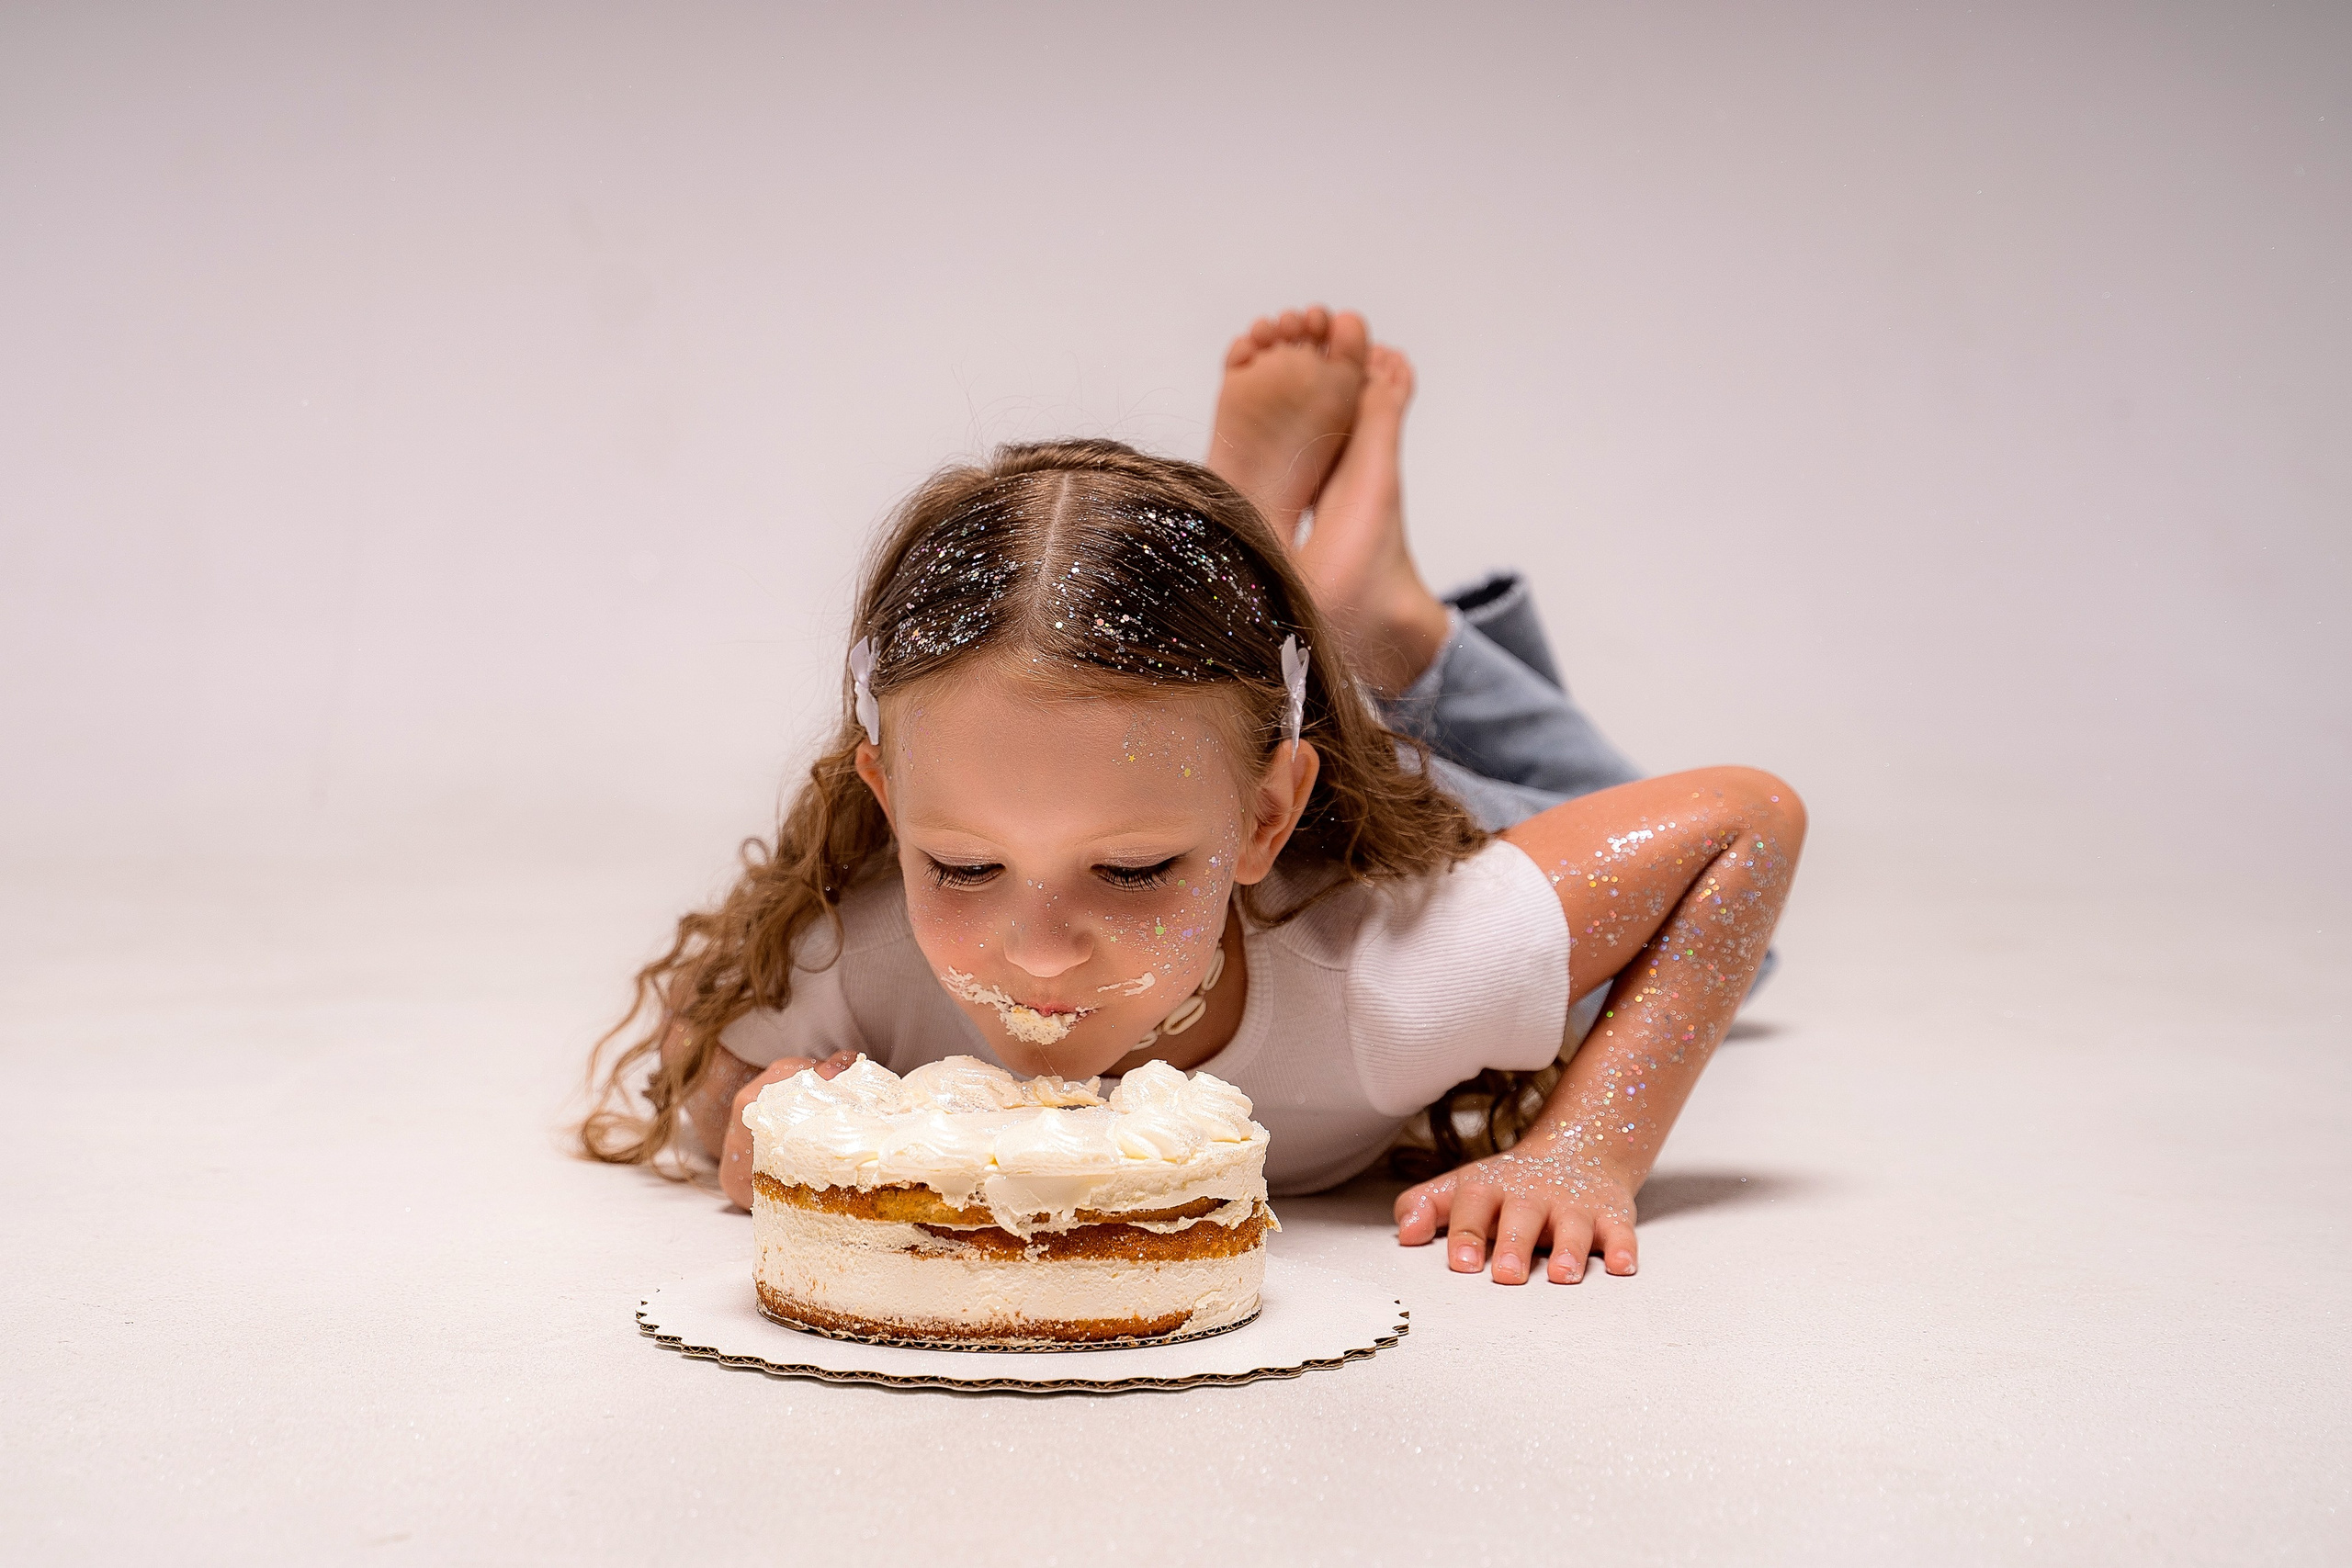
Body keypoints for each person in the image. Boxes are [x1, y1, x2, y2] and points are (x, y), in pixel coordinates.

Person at [581, 308, 1805, 1287]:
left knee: (1726, 967)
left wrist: (1585, 1151)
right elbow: (707, 1058)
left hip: (1399, 810)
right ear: (891, 806)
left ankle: (1386, 635)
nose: (1041, 951)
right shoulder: (861, 958)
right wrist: (758, 1124)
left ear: (1265, 820)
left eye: (1130, 874)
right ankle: (1301, 598)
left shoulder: (1388, 983)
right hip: (1213, 758)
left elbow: (1748, 822)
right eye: (962, 866)